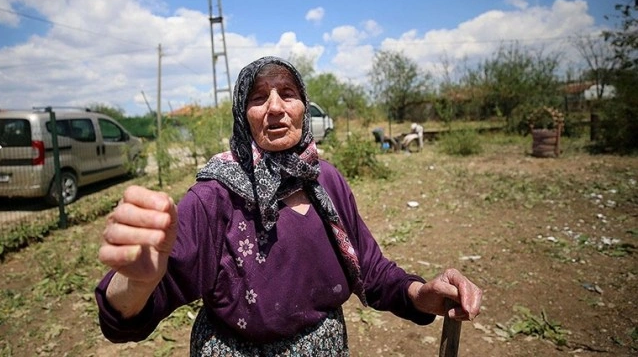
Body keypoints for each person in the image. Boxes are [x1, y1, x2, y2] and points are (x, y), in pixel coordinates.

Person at [95, 56, 482, 355]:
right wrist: (139, 281)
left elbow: (371, 270)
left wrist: (420, 295)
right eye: (258, 98)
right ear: (242, 116)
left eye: (288, 94)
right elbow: (125, 317)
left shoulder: (325, 180)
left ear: (303, 107)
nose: (275, 107)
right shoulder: (215, 195)